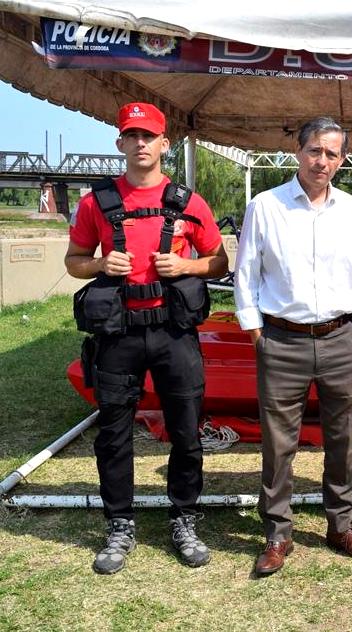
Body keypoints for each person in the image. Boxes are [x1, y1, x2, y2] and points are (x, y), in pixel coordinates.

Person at [65, 102, 227, 574]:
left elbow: (219, 262)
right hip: (118, 335)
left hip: (173, 332)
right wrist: (97, 265)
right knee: (114, 434)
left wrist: (186, 266)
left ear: (164, 144)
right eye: (131, 135)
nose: (140, 143)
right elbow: (74, 260)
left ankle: (184, 516)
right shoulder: (96, 202)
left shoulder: (188, 201)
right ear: (120, 143)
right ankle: (119, 522)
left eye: (148, 135)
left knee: (186, 430)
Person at [234, 117, 352, 575]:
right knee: (279, 446)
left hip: (343, 339)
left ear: (342, 160)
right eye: (315, 150)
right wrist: (256, 332)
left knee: (344, 440)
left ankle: (341, 526)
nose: (323, 161)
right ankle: (278, 533)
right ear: (298, 151)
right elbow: (246, 274)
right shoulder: (265, 206)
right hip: (282, 340)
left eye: (332, 154)